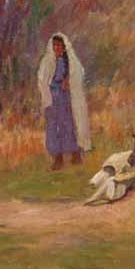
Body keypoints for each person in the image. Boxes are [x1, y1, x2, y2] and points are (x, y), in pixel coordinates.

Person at [37, 33, 91, 170]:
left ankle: (75, 154)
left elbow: (78, 73)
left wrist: (68, 80)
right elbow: (42, 78)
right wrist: (47, 93)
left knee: (68, 125)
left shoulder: (69, 60)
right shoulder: (48, 61)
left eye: (59, 45)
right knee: (53, 127)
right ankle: (58, 158)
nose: (56, 47)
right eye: (54, 45)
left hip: (66, 97)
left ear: (64, 46)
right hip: (52, 97)